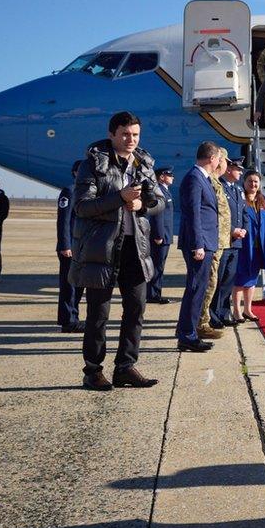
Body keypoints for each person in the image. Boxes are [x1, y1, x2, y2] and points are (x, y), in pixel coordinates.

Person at [71, 111, 163, 391]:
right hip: (103, 249)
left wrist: (143, 206)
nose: (130, 139)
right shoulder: (93, 165)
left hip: (135, 248)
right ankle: (93, 371)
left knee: (136, 309)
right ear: (112, 134)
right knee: (98, 314)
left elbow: (160, 201)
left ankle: (125, 367)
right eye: (125, 134)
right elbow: (82, 207)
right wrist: (119, 198)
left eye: (135, 134)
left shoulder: (143, 163)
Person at [176, 141, 223, 353]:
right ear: (212, 158)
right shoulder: (194, 179)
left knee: (198, 289)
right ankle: (187, 335)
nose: (220, 163)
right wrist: (197, 245)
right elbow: (192, 214)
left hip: (206, 242)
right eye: (219, 159)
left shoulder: (201, 179)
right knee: (195, 289)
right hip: (199, 244)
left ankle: (188, 332)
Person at [233, 170, 265, 322]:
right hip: (244, 246)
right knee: (240, 279)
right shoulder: (239, 199)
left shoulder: (264, 201)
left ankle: (248, 309)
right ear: (244, 182)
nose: (253, 184)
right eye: (250, 181)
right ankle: (237, 311)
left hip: (260, 247)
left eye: (256, 182)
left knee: (252, 279)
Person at [198, 147, 231, 338]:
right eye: (223, 160)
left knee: (212, 283)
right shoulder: (208, 182)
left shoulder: (217, 183)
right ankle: (201, 322)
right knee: (208, 284)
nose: (225, 164)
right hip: (212, 243)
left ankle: (204, 320)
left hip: (220, 243)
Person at [210, 157, 247, 326]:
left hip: (236, 242)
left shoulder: (238, 190)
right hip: (225, 240)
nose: (240, 172)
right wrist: (233, 230)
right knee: (218, 279)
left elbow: (243, 213)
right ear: (229, 170)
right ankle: (214, 314)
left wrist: (243, 229)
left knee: (228, 280)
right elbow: (220, 214)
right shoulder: (220, 187)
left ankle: (224, 313)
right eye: (238, 169)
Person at [56, 161, 85, 333]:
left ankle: (73, 317)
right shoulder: (69, 191)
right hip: (70, 247)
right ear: (75, 173)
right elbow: (64, 221)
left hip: (83, 247)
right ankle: (68, 321)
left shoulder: (87, 192)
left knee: (79, 285)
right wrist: (65, 245)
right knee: (69, 286)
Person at [146, 166, 175, 304]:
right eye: (169, 175)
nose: (172, 177)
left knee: (160, 265)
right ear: (161, 177)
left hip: (165, 235)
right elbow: (157, 214)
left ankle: (155, 292)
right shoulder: (159, 192)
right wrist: (158, 235)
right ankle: (152, 294)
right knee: (156, 265)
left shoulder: (165, 191)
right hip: (160, 236)